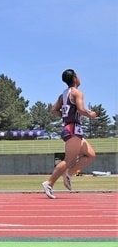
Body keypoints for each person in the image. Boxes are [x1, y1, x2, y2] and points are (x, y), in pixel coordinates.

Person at [41, 68, 97, 199]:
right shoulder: (77, 93)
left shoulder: (63, 95)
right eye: (78, 75)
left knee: (91, 155)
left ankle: (68, 174)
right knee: (68, 160)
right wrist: (91, 114)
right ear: (75, 78)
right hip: (73, 129)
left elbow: (53, 110)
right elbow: (81, 110)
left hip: (71, 128)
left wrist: (65, 115)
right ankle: (49, 183)